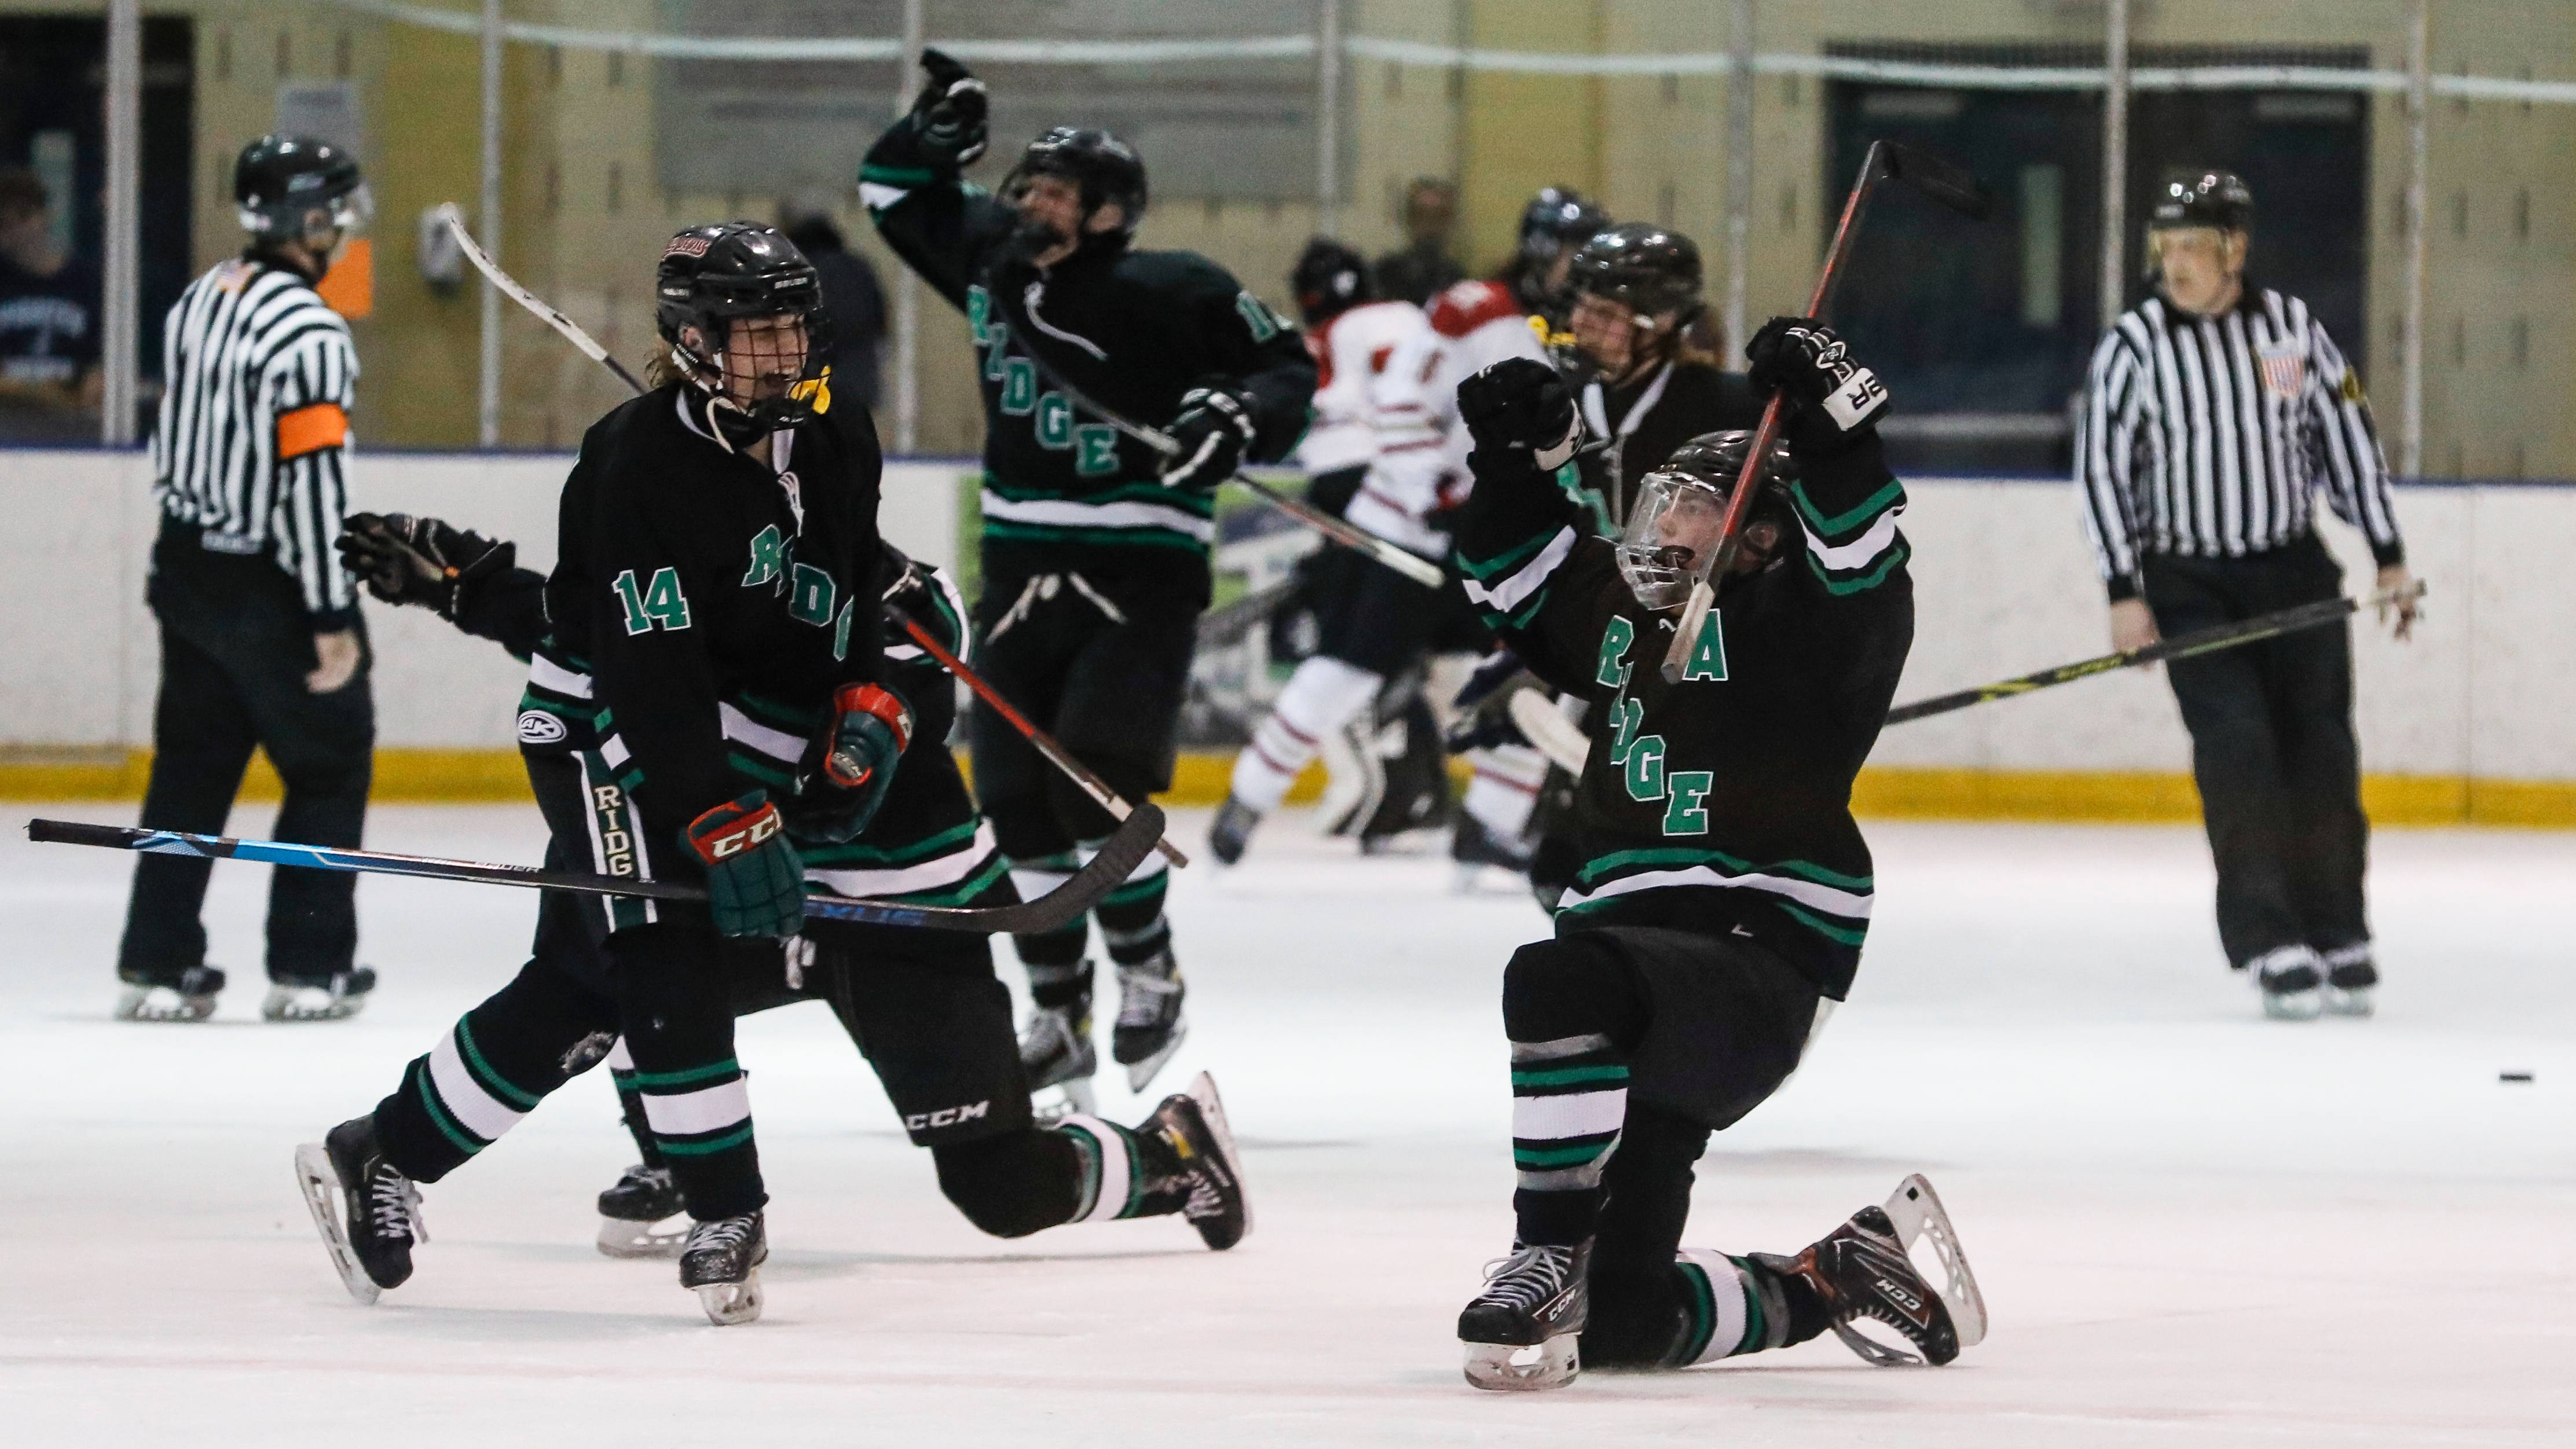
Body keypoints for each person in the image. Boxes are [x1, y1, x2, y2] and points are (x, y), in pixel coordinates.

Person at [314, 511, 1249, 1301]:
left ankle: (1171, 1150)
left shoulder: (841, 577)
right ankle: (393, 1147)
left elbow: (932, 632)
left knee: (1001, 1187)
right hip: (739, 884)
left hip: (897, 900)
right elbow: (591, 630)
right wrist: (468, 590)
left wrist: (878, 722)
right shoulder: (673, 566)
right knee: (597, 975)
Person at [1442, 322, 1980, 1391]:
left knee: (1553, 972)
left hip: (1751, 956)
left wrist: (1832, 429)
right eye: (1657, 501)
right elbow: (1512, 572)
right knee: (1624, 1320)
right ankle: (1827, 1276)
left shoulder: (1811, 625)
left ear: (1762, 537)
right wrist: (1517, 459)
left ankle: (1541, 1249)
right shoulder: (1620, 617)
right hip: (1636, 971)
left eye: (1693, 505)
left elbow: (1861, 552)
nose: (1663, 522)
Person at [859, 50, 1317, 1115]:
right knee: (1012, 800)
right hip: (1020, 559)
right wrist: (935, 132)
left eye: (1057, 194)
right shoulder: (989, 262)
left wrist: (1235, 415)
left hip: (1141, 559)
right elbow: (890, 192)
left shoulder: (1177, 286)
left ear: (1110, 214)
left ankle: (1148, 969)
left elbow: (1284, 367)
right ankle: (1057, 1014)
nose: (1029, 204)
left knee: (1093, 779)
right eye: (1024, 186)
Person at [2075, 171, 2416, 1021]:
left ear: (2235, 248)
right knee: (2239, 752)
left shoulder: (2291, 330)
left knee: (2321, 752)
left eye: (2193, 246)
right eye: (2167, 247)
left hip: (2293, 568)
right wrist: (2123, 588)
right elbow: (2102, 473)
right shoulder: (2135, 345)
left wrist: (2387, 555)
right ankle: (2269, 938)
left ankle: (2337, 926)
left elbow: (2347, 438)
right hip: (2190, 584)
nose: (2176, 263)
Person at [113, 135, 376, 1024]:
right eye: (336, 207)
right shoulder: (310, 330)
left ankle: (156, 960)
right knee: (328, 758)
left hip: (183, 568)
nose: (344, 225)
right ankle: (309, 967)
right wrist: (332, 610)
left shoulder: (200, 297)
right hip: (266, 583)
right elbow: (311, 481)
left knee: (189, 765)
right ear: (308, 217)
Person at [1383, 188, 1611, 883]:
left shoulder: (1587, 324)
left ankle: (1492, 818)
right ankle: (1457, 794)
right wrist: (1431, 493)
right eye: (1576, 250)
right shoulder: (1473, 307)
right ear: (1541, 247)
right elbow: (1404, 402)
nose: (1585, 267)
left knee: (1553, 662)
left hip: (1536, 517)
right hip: (1460, 519)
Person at [1210, 237, 1449, 863]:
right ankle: (1504, 808)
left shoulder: (1323, 338)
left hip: (1359, 495)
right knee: (1504, 651)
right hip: (1438, 494)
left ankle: (1253, 794)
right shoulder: (1416, 320)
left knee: (1344, 660)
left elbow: (1308, 410)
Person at [0, 166, 103, 441]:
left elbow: (101, 368)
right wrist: (40, 393)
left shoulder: (87, 282)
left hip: (75, 425)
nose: (17, 230)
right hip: (8, 424)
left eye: (23, 216)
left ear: (45, 216)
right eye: (5, 223)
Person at [777, 203, 889, 422]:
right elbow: (881, 321)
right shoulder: (857, 268)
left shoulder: (793, 271)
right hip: (859, 382)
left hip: (809, 385)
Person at [1371, 177, 1465, 307]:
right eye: (1421, 214)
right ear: (1409, 218)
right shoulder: (1385, 275)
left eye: (1439, 215)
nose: (1430, 224)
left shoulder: (1460, 281)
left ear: (1449, 220)